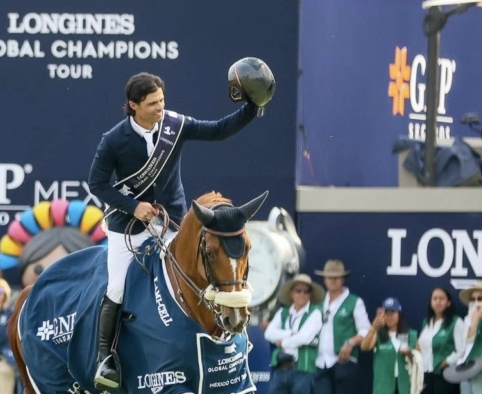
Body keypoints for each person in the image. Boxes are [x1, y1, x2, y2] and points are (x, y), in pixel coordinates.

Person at [87, 65, 272, 389]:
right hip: (128, 227)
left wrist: (252, 107)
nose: (161, 107)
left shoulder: (174, 125)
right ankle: (107, 358)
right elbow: (98, 184)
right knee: (116, 287)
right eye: (153, 104)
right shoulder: (114, 140)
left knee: (202, 272)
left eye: (162, 100)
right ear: (134, 105)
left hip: (170, 221)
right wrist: (134, 206)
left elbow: (219, 130)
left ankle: (222, 344)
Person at [312, 260, 371, 394]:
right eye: (329, 277)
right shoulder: (319, 303)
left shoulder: (354, 301)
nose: (333, 281)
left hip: (344, 361)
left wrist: (351, 342)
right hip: (320, 362)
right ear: (324, 280)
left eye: (336, 277)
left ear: (343, 279)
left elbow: (366, 330)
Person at [264, 274, 324, 394]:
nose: (302, 294)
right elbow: (269, 333)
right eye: (298, 290)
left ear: (310, 295)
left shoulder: (315, 313)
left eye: (306, 291)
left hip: (302, 370)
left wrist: (283, 342)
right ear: (292, 293)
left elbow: (304, 337)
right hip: (281, 368)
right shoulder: (283, 312)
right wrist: (290, 334)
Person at [361, 297, 417, 394]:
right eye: (386, 313)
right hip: (384, 387)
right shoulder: (377, 334)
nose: (389, 316)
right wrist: (373, 328)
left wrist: (409, 353)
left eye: (392, 313)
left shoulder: (409, 334)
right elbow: (365, 347)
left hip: (404, 387)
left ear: (399, 314)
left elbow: (418, 359)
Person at [417, 287, 464, 394]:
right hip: (426, 374)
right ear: (430, 302)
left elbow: (461, 351)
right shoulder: (426, 323)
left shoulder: (456, 322)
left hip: (445, 374)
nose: (438, 301)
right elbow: (421, 346)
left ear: (448, 303)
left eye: (442, 299)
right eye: (435, 298)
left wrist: (446, 362)